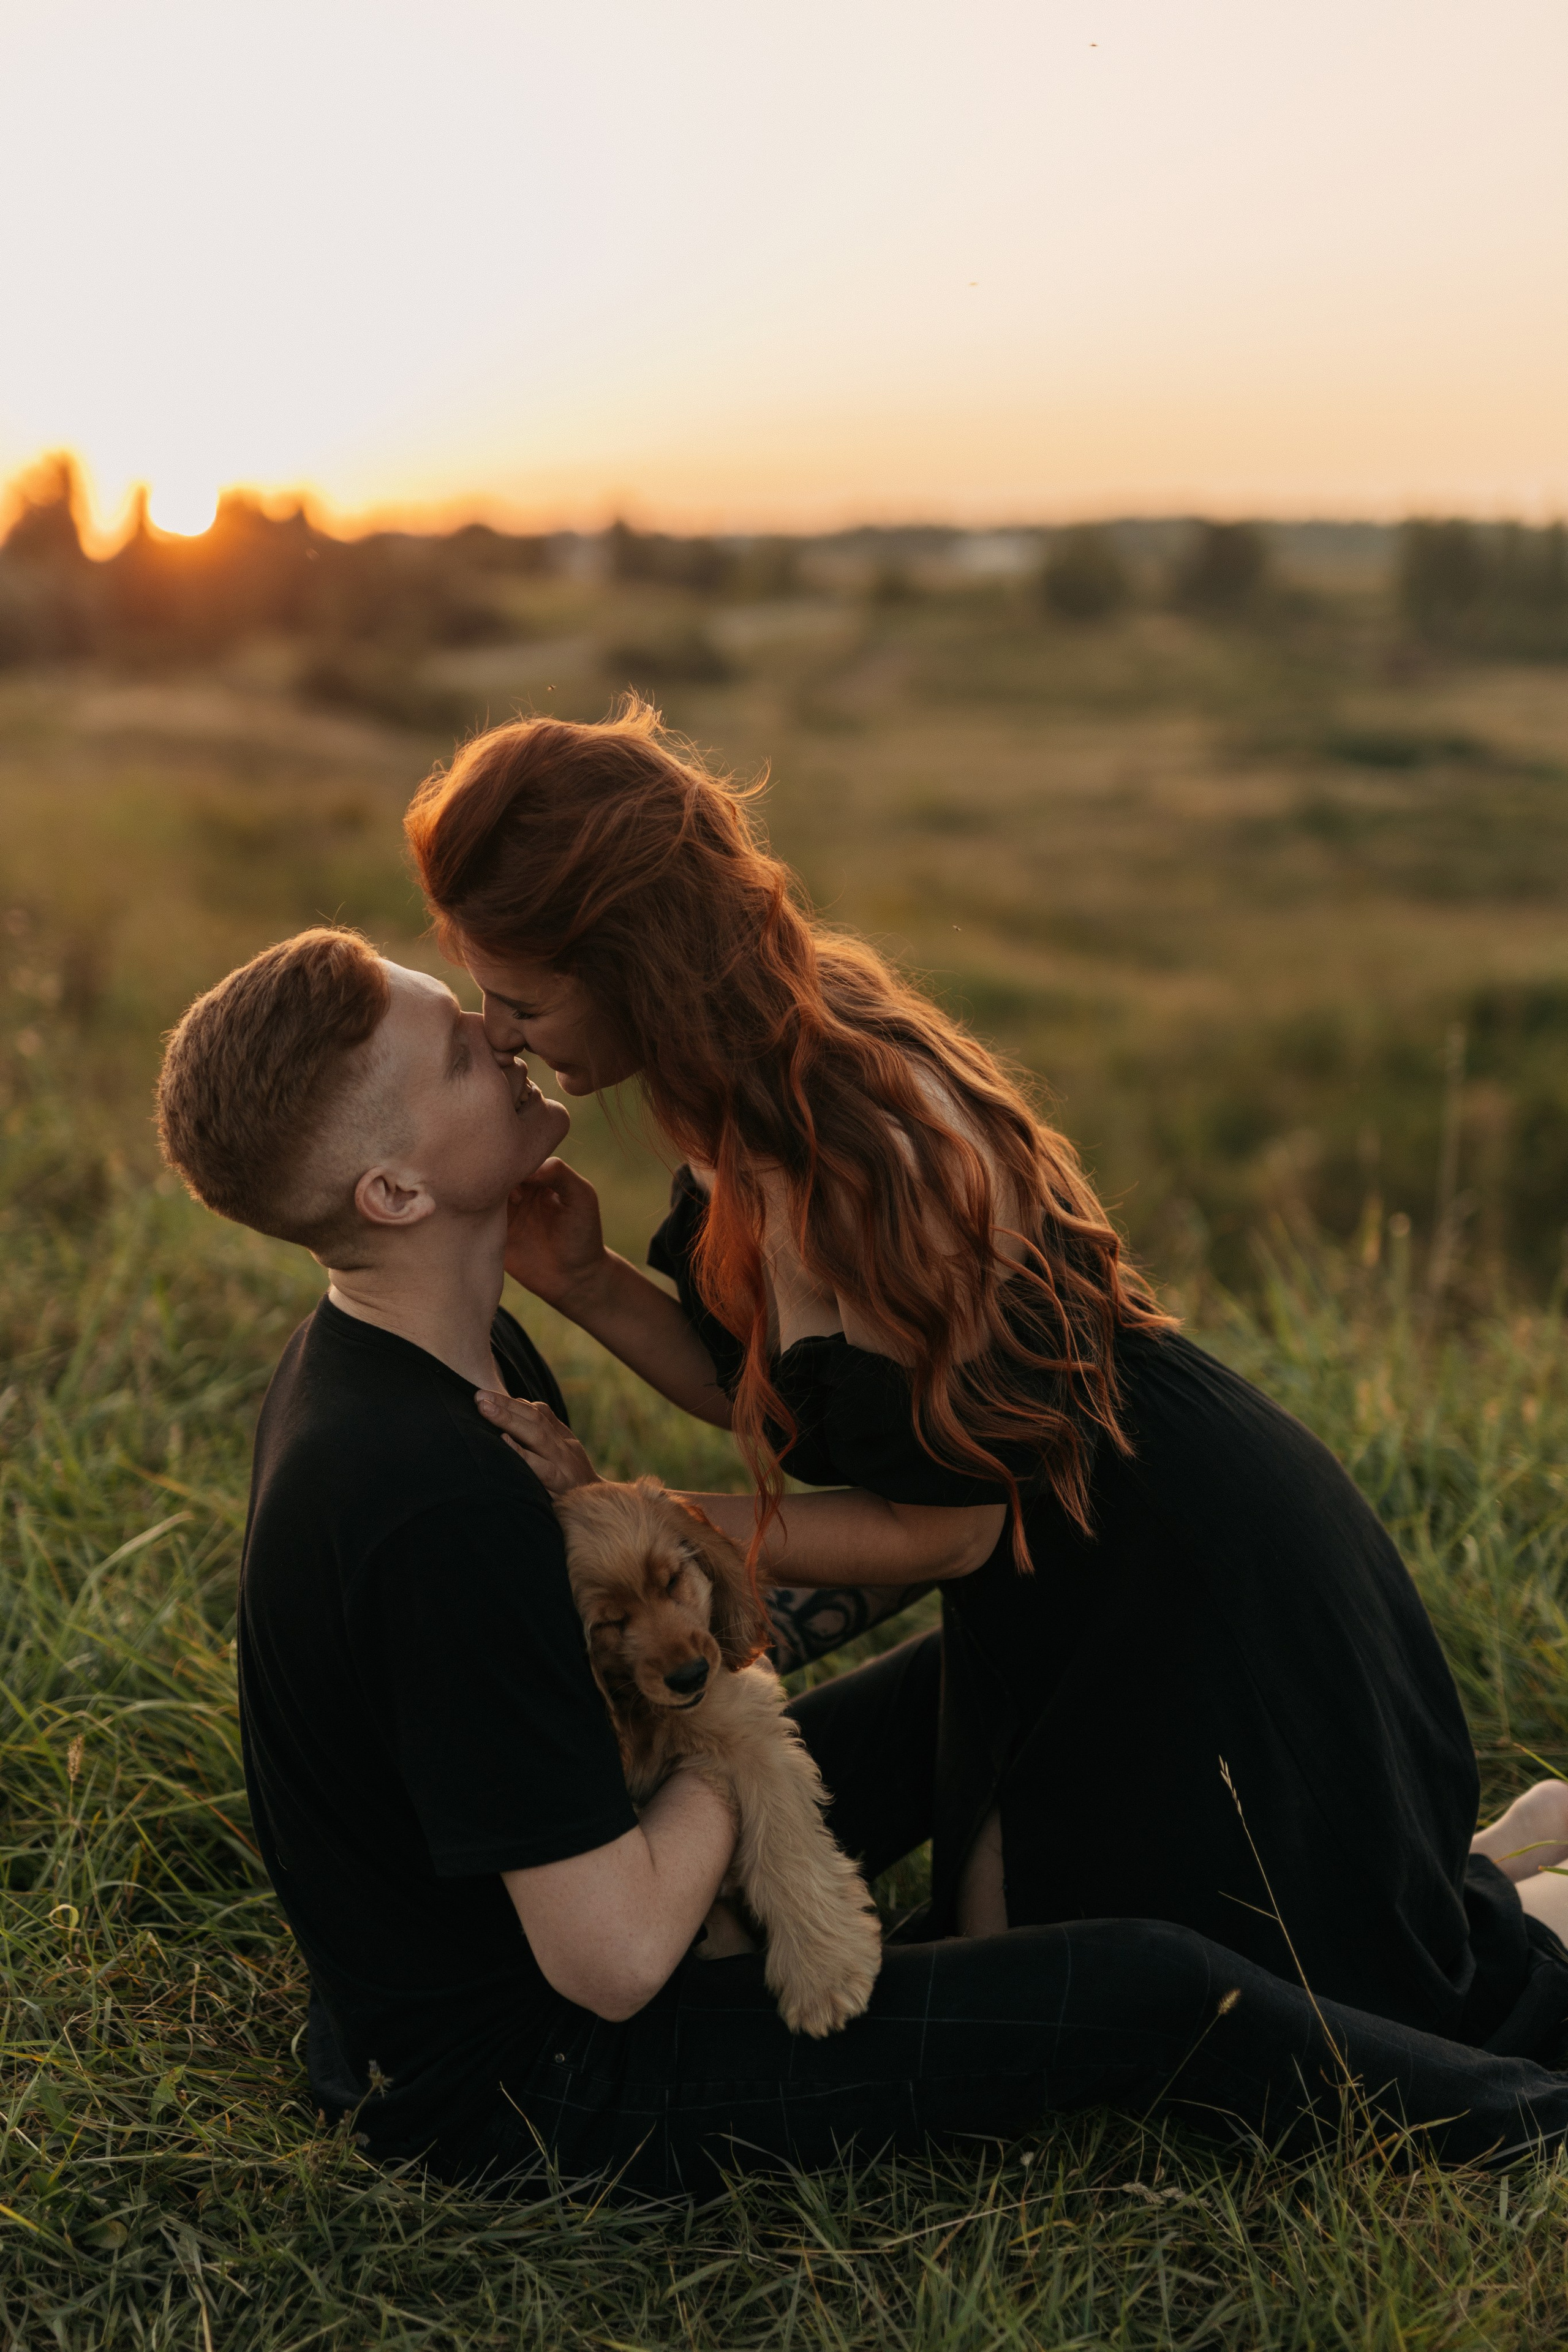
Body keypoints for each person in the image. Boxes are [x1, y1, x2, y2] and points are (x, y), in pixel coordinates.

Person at [154, 925, 1568, 2193]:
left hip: (584, 1871)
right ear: (396, 1191)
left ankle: (1428, 1898)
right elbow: (610, 1957)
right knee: (1144, 1990)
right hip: (548, 2083)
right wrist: (735, 1727)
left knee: (1039, 1659)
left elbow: (608, 1671)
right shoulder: (423, 1500)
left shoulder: (441, 1359)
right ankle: (1522, 2115)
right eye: (461, 1054)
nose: (501, 1032)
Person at [403, 704, 1568, 2063]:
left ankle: (1532, 1899)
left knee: (1345, 2021)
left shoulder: (850, 1150)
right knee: (1016, 1950)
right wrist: (592, 1283)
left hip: (1185, 1572)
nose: (500, 1034)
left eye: (524, 1001)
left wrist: (639, 1527)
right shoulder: (731, 1077)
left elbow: (943, 1524)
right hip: (1059, 1579)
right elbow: (796, 1397)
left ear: (634, 968)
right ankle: (1514, 1859)